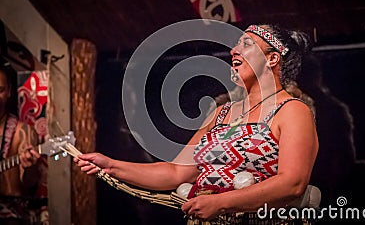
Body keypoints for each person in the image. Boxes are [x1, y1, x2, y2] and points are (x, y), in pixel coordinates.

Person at [74, 24, 319, 224]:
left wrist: (221, 203)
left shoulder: (292, 111)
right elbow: (176, 172)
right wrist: (111, 165)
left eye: (245, 44)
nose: (234, 50)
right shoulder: (220, 114)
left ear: (272, 58)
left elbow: (293, 183)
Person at [0, 63, 41, 225]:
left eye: (0, 90)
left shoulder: (22, 131)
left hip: (12, 215)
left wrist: (30, 166)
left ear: (9, 91)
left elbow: (30, 184)